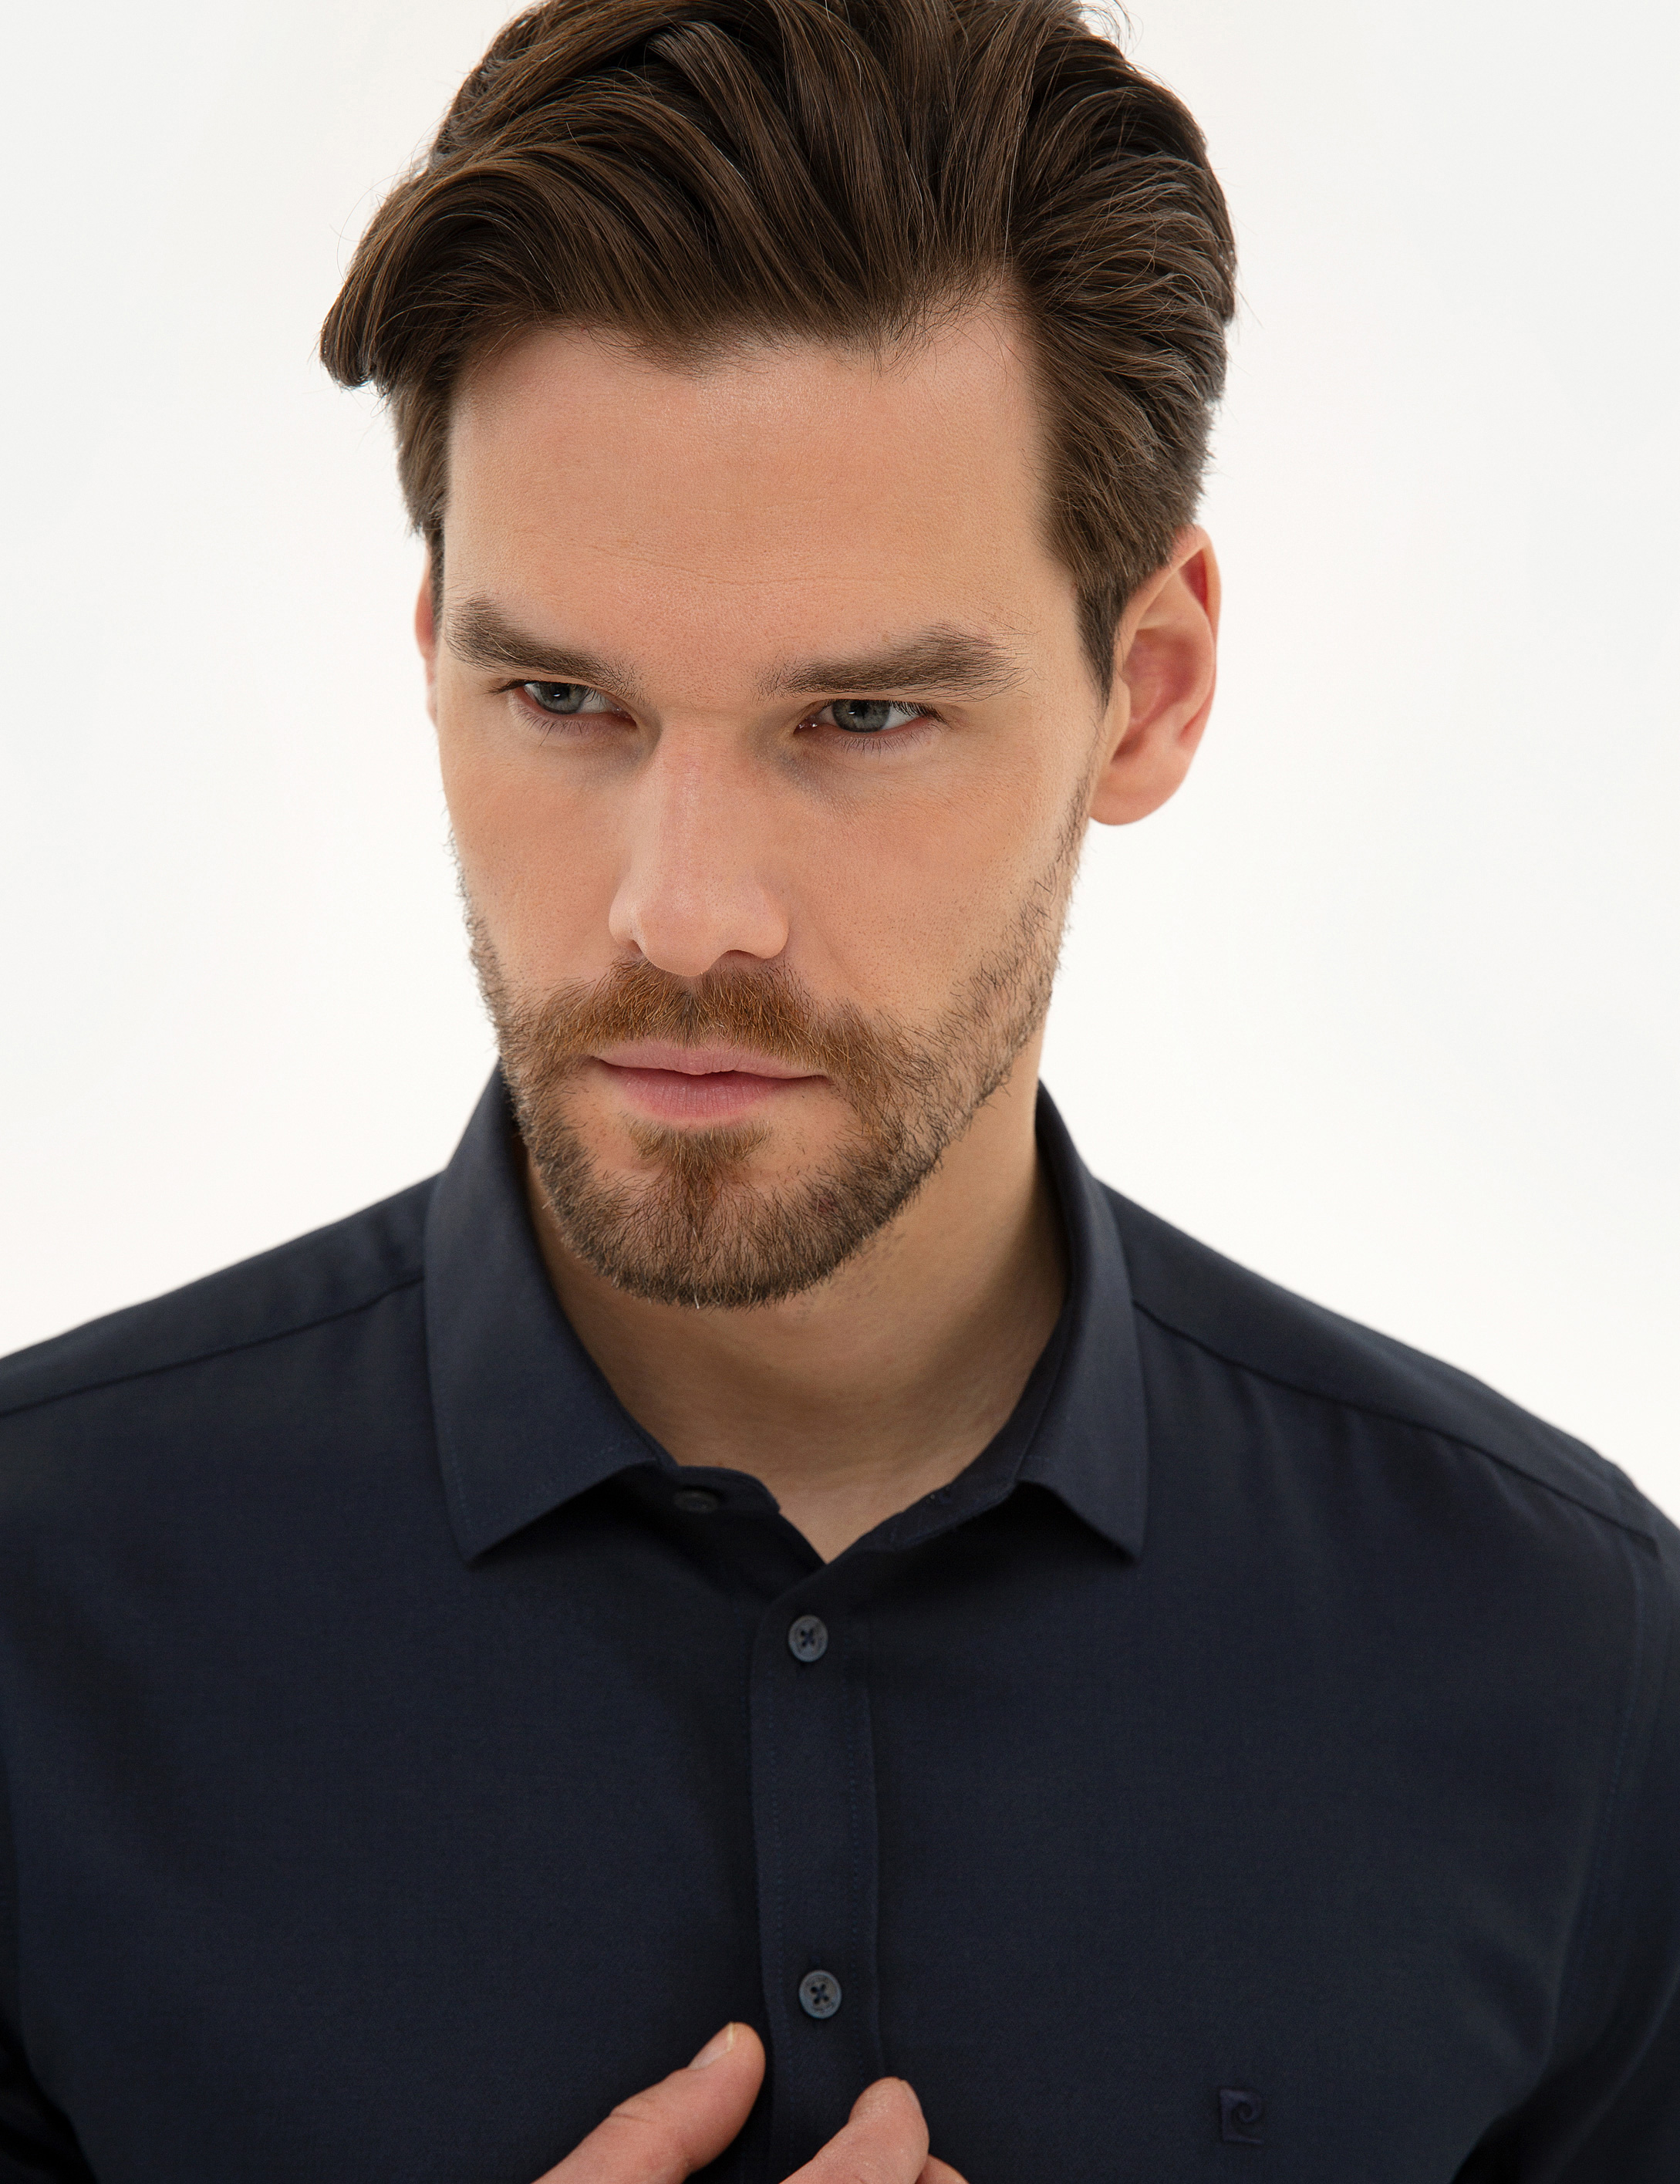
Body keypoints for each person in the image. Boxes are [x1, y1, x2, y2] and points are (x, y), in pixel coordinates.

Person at [0, 0, 1674, 2176]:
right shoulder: (34, 1627)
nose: (683, 913)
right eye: (562, 698)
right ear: (432, 660)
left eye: (861, 717)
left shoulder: (1571, 1672)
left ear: (1147, 692)